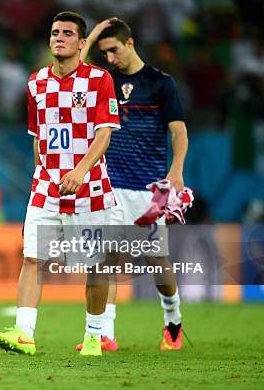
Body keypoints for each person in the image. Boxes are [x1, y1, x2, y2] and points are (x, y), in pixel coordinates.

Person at [0, 11, 121, 357]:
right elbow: (38, 137)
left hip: (89, 189)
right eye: (54, 32)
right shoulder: (36, 83)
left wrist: (79, 171)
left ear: (82, 44)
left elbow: (105, 133)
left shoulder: (99, 80)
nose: (59, 37)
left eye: (67, 33)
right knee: (32, 258)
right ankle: (24, 333)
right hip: (46, 188)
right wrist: (41, 174)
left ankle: (94, 335)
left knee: (94, 266)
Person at [76, 18, 189, 352]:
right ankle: (105, 333)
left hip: (149, 188)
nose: (110, 58)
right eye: (104, 52)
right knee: (107, 259)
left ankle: (173, 320)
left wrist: (177, 169)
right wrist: (93, 35)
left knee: (157, 261)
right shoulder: (104, 81)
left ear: (130, 43)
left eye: (113, 50)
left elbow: (178, 131)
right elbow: (75, 66)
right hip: (110, 186)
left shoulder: (159, 83)